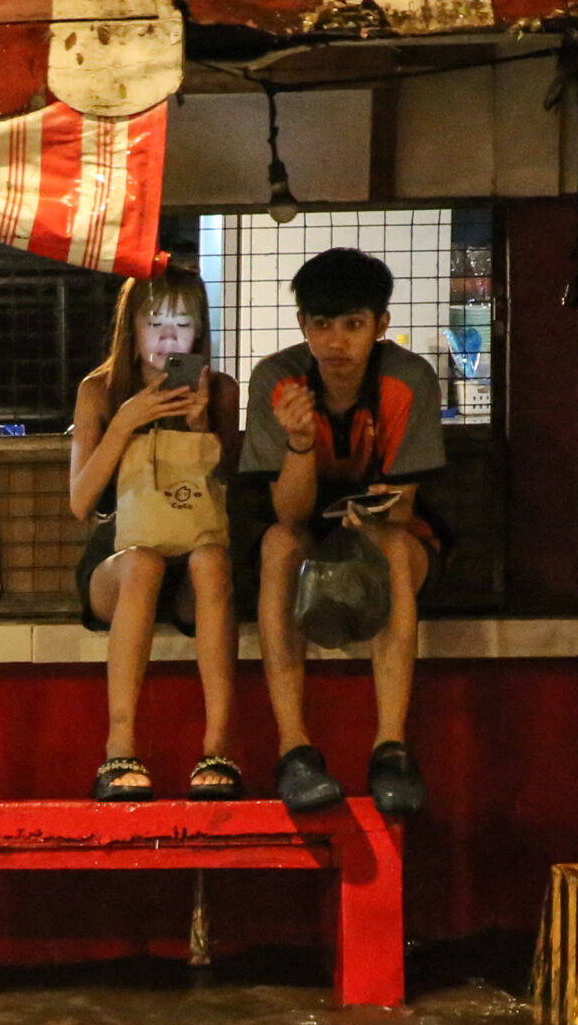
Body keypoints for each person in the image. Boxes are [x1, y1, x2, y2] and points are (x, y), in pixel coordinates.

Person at [239, 249, 449, 816]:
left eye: (353, 324)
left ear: (380, 325)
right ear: (303, 325)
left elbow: (405, 508)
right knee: (277, 546)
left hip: (390, 537)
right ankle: (295, 751)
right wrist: (301, 443)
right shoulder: (277, 382)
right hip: (307, 537)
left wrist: (377, 518)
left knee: (390, 547)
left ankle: (391, 749)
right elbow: (286, 515)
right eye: (321, 324)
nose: (336, 341)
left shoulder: (408, 379)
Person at [69, 264, 242, 802]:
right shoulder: (101, 390)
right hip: (121, 558)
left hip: (194, 553)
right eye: (154, 321)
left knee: (212, 558)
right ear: (131, 327)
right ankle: (119, 749)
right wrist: (123, 422)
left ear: (200, 332)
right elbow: (80, 503)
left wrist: (200, 430)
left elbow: (233, 493)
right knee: (142, 561)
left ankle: (217, 747)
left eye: (182, 324)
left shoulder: (220, 391)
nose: (168, 337)